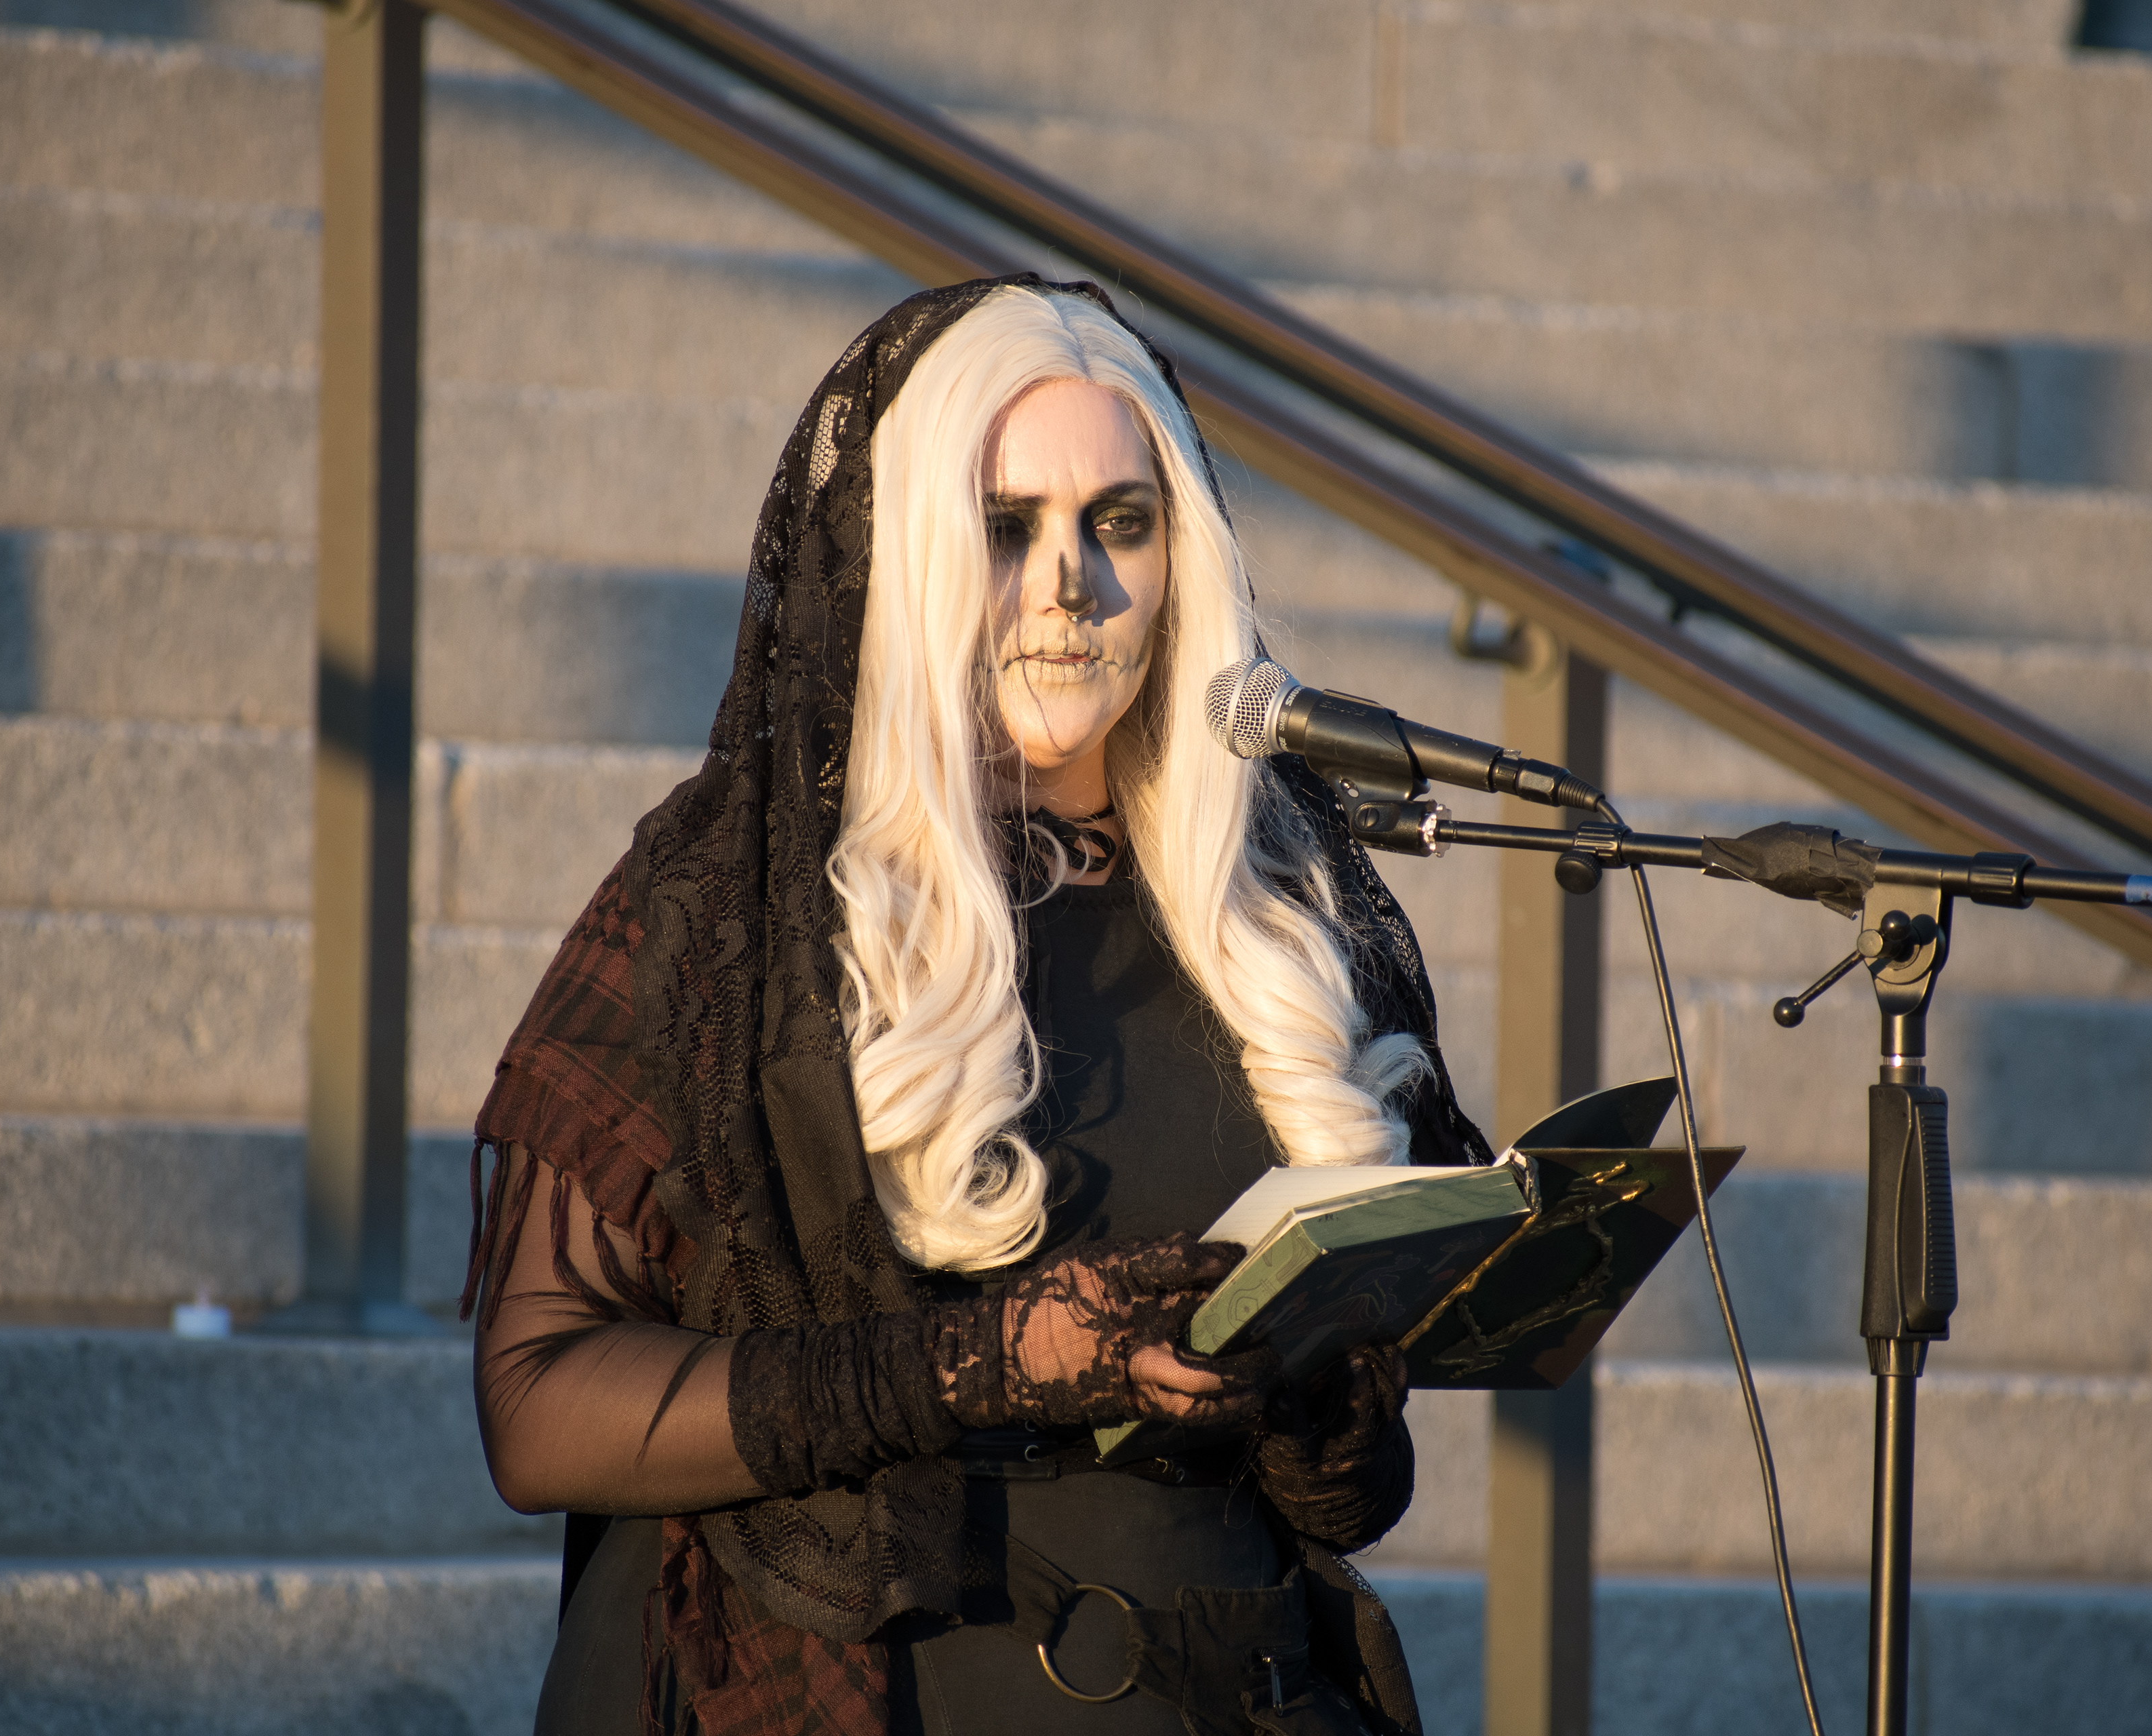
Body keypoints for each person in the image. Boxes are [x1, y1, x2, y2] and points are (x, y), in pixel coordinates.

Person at [462, 277, 1492, 1736]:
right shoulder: (734, 901)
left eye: (1118, 522)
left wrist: (1319, 1418)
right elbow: (539, 1396)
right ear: (916, 555)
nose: (1070, 583)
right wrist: (978, 1362)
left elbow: (1353, 1494)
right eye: (1009, 528)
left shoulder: (1285, 908)